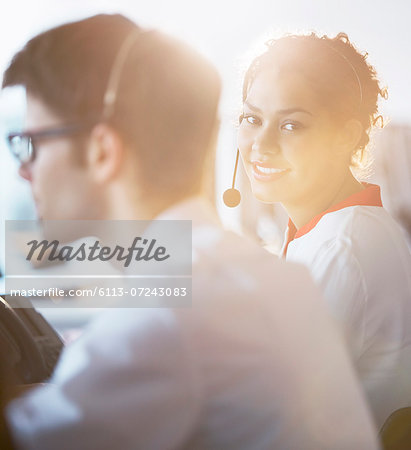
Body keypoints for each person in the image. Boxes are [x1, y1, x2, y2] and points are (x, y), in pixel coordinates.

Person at [0, 16, 379, 449]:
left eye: (31, 143)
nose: (24, 170)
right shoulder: (255, 275)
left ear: (103, 151)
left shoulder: (168, 314)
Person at [237, 31, 411, 427]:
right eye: (252, 118)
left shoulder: (342, 247)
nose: (260, 145)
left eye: (291, 125)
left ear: (346, 136)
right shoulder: (337, 230)